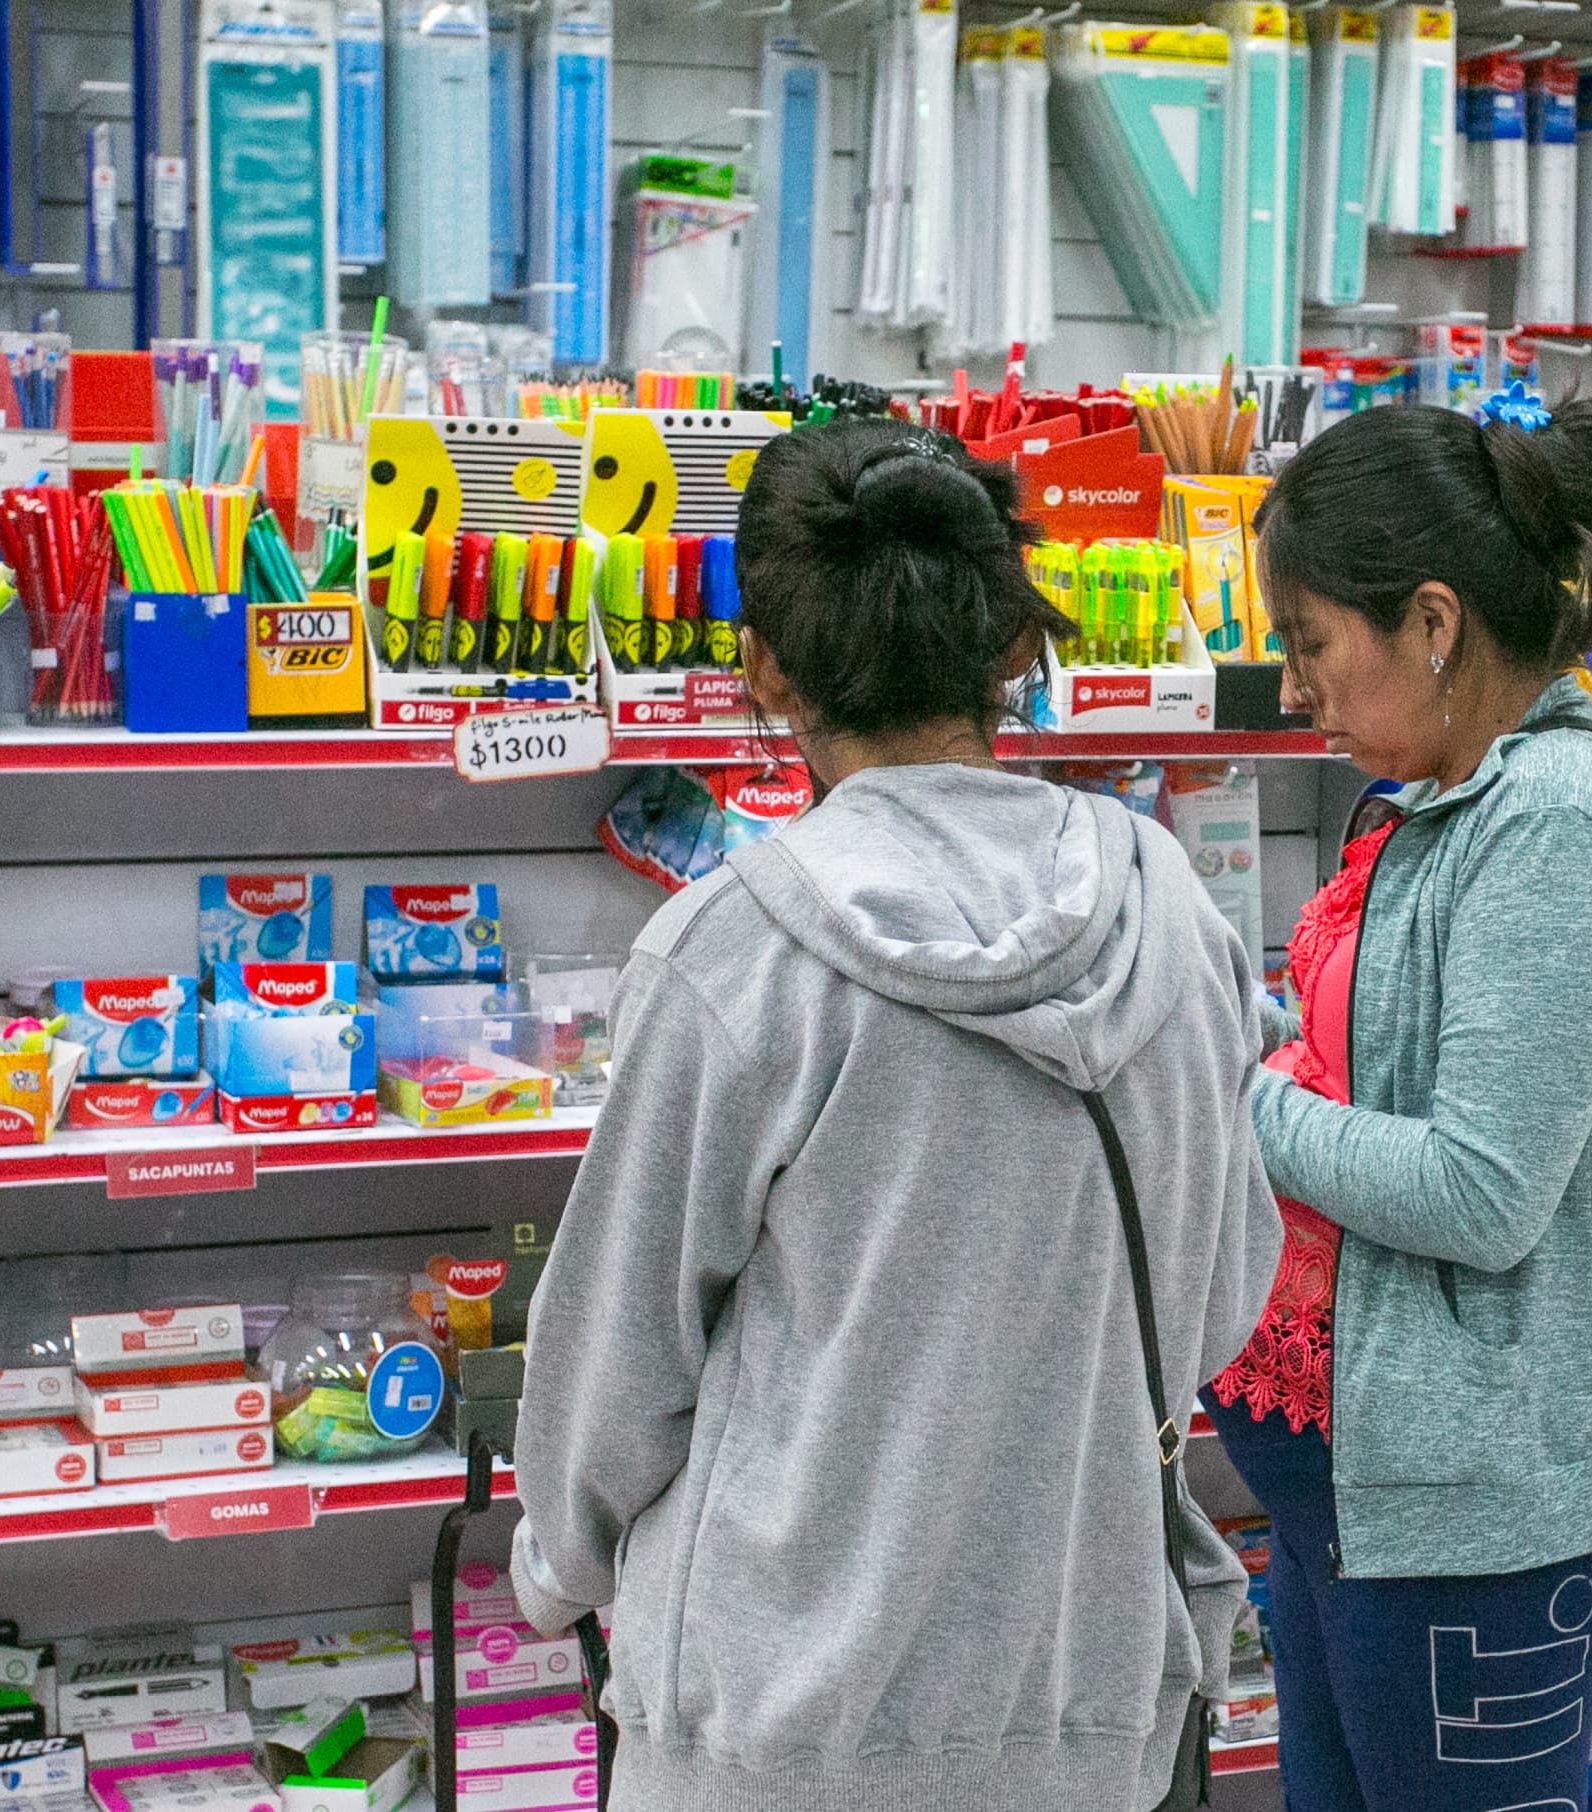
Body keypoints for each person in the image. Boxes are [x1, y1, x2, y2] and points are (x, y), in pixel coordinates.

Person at [510, 420, 1282, 1812]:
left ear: (764, 665)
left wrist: (557, 1570)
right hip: (1086, 1699)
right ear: (1014, 644)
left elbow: (616, 1374)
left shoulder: (734, 952)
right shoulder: (1174, 910)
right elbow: (1222, 1292)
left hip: (778, 1731)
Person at [1201, 396, 1592, 1812]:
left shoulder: (1555, 826)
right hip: (1378, 1507)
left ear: (1432, 622)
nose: (1290, 688)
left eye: (1310, 643)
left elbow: (1478, 1193)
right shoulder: (1452, 800)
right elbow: (1374, 1075)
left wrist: (1228, 1100)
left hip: (1486, 1534)